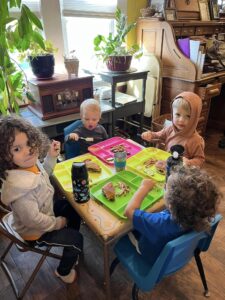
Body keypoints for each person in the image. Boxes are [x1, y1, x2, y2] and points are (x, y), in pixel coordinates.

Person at [0, 115, 83, 284]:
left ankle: (70, 246)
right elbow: (33, 221)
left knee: (72, 207)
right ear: (5, 157)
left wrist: (51, 157)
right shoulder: (20, 189)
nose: (28, 150)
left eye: (29, 143)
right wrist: (57, 223)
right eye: (17, 149)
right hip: (35, 233)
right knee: (77, 240)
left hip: (45, 209)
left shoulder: (28, 164)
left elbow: (43, 173)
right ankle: (63, 271)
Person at [124, 166, 220, 265]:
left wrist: (143, 187)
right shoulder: (199, 214)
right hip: (176, 255)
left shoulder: (158, 223)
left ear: (170, 204)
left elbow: (129, 211)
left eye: (166, 188)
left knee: (124, 230)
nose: (164, 187)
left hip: (150, 255)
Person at [142, 92, 205, 167]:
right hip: (166, 167)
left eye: (188, 116)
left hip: (182, 174)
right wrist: (150, 135)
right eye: (178, 114)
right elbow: (158, 135)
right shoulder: (170, 129)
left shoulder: (196, 140)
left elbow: (200, 159)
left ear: (194, 118)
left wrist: (189, 162)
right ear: (172, 114)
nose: (181, 120)